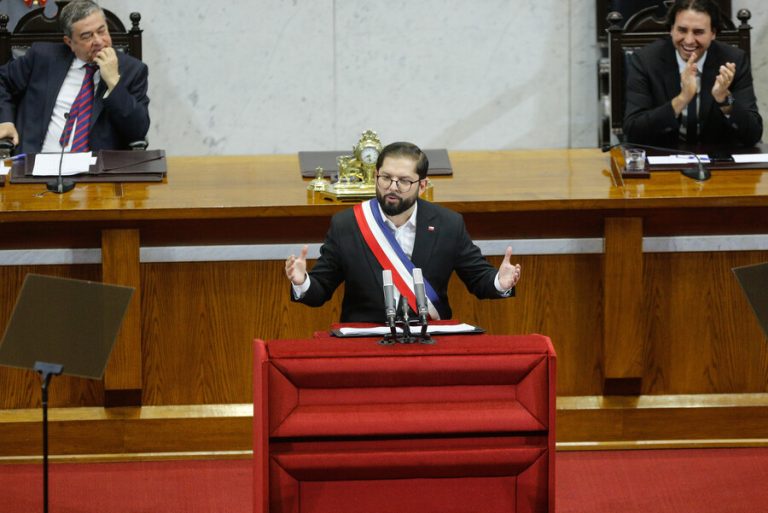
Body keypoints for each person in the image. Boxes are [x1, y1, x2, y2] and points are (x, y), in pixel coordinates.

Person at [285, 141, 522, 323]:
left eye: (404, 181)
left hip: (429, 339)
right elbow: (320, 290)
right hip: (367, 342)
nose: (392, 187)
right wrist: (302, 282)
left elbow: (479, 280)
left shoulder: (448, 224)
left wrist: (500, 282)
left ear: (422, 185)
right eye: (385, 178)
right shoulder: (348, 224)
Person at [0, 0, 149, 154]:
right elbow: (2, 81)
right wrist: (5, 121)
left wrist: (113, 82)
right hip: (34, 161)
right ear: (69, 42)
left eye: (102, 31)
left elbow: (138, 130)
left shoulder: (133, 70)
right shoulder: (42, 57)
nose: (98, 41)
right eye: (87, 36)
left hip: (97, 165)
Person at [623, 0, 762, 147]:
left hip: (717, 155)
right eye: (682, 30)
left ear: (713, 33)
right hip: (663, 153)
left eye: (698, 32)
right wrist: (682, 99)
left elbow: (753, 134)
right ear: (671, 29)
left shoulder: (733, 61)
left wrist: (725, 100)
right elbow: (633, 132)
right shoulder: (645, 61)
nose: (689, 41)